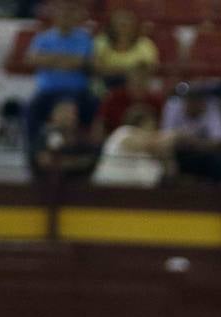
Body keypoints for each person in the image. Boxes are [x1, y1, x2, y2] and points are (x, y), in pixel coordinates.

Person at [24, 0, 96, 149]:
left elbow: (87, 62)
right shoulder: (43, 38)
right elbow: (31, 58)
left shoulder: (84, 38)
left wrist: (50, 59)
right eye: (62, 13)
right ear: (55, 15)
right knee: (30, 110)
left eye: (69, 13)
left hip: (77, 93)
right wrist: (70, 60)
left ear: (75, 16)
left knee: (95, 108)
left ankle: (84, 151)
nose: (65, 16)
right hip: (48, 92)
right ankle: (34, 152)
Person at [160, 81, 221, 182]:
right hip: (179, 153)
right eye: (189, 98)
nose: (192, 102)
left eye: (196, 98)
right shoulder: (174, 105)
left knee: (218, 160)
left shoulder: (213, 106)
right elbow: (165, 138)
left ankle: (214, 193)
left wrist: (193, 142)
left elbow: (218, 141)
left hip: (204, 154)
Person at [92, 104, 175, 187]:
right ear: (141, 123)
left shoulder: (150, 142)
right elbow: (142, 144)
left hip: (140, 187)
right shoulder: (124, 132)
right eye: (151, 125)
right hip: (113, 185)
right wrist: (166, 138)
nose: (153, 129)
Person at [92, 8, 159, 91]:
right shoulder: (101, 41)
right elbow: (96, 68)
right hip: (106, 82)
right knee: (95, 85)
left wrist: (113, 69)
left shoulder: (145, 43)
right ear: (111, 26)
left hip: (136, 85)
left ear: (134, 26)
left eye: (126, 25)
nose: (123, 28)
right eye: (119, 24)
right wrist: (129, 70)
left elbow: (150, 68)